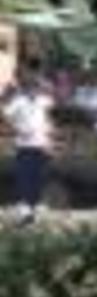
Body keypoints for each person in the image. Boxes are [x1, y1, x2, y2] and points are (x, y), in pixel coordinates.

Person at [3, 67, 54, 217]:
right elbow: (5, 115)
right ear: (27, 88)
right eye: (32, 87)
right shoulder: (19, 102)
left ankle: (37, 203)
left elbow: (50, 117)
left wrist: (50, 138)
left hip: (42, 144)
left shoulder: (45, 101)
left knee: (40, 175)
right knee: (25, 175)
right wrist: (16, 130)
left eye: (37, 87)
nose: (35, 90)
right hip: (24, 145)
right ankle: (24, 204)